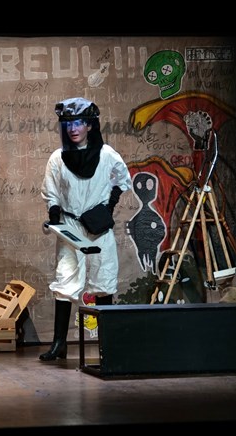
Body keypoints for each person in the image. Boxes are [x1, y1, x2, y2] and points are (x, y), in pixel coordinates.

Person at [40, 97, 133, 361]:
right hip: (70, 227)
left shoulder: (107, 155)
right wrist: (55, 215)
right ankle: (60, 343)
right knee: (65, 281)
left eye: (79, 122)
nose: (73, 129)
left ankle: (106, 344)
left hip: (98, 228)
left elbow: (122, 179)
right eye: (68, 123)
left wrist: (108, 208)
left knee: (103, 280)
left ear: (90, 125)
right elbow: (51, 190)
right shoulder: (58, 158)